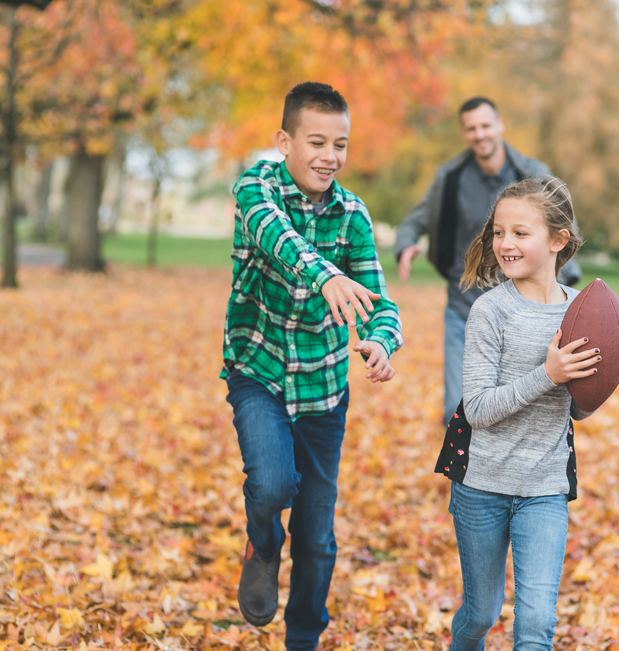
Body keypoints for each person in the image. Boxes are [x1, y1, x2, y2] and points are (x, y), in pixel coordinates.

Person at [221, 82, 403, 650]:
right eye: (317, 141)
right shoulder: (256, 186)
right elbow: (277, 238)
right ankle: (261, 543)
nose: (330, 156)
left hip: (324, 389)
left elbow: (379, 298)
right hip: (259, 371)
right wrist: (325, 276)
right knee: (272, 484)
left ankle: (302, 640)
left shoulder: (353, 214)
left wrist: (381, 340)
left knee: (318, 538)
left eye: (340, 144)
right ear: (285, 141)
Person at [434, 177, 619, 650]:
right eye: (498, 232)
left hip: (544, 487)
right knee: (480, 613)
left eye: (520, 233)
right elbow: (478, 409)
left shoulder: (580, 313)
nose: (505, 243)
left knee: (536, 624)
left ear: (557, 240)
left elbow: (579, 410)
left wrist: (608, 366)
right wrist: (549, 373)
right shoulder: (490, 311)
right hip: (482, 485)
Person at [394, 97, 581, 425]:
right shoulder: (450, 177)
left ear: (499, 125)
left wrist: (567, 284)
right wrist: (406, 244)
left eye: (484, 125)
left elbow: (562, 226)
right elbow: (417, 218)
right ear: (464, 134)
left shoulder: (533, 172)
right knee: (458, 408)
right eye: (471, 129)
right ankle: (463, 476)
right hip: (463, 303)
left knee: (526, 400)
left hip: (522, 308)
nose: (479, 134)